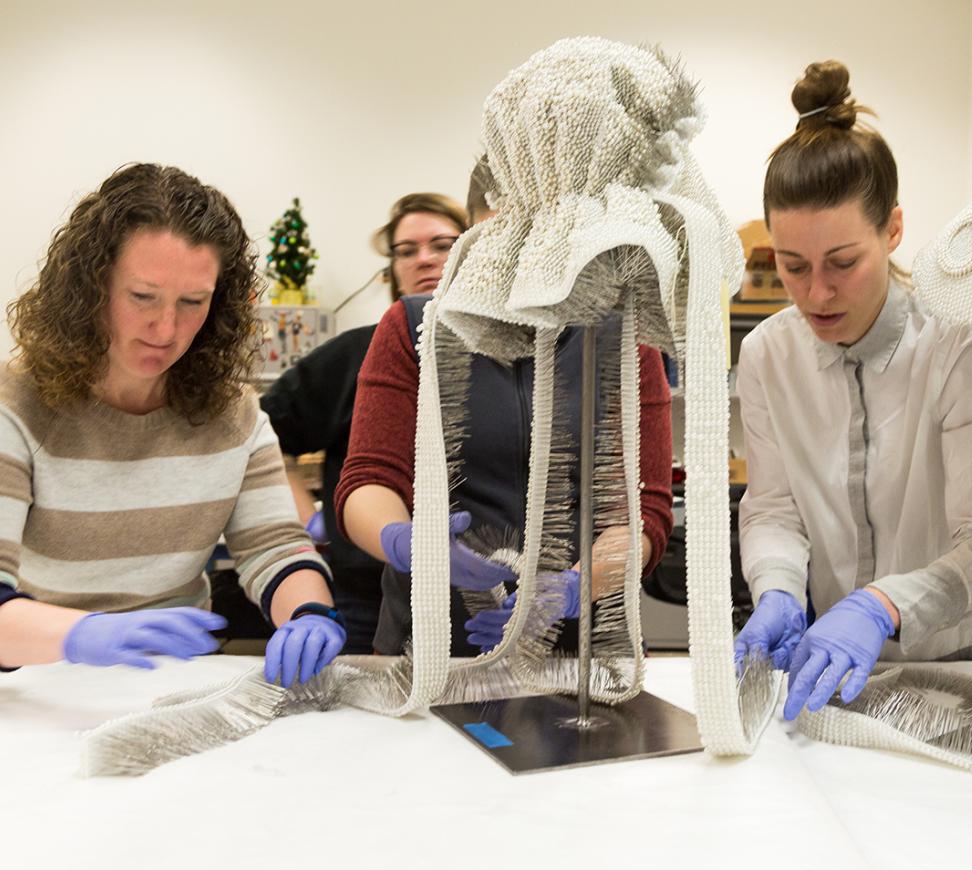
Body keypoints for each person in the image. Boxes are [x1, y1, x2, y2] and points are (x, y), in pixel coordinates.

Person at [733, 61, 972, 721]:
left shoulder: (960, 341)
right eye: (793, 267)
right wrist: (779, 588)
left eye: (843, 263)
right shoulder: (766, 355)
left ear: (893, 229)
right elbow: (773, 512)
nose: (817, 293)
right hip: (850, 658)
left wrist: (881, 604)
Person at [0, 163, 341, 688]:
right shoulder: (16, 403)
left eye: (192, 303)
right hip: (40, 677)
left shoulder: (233, 412)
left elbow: (274, 548)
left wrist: (309, 614)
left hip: (175, 678)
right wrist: (83, 635)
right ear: (90, 289)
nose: (166, 328)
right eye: (142, 297)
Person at [335, 171, 674, 658]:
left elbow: (643, 513)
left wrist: (573, 590)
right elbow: (369, 479)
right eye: (506, 243)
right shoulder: (415, 328)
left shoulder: (624, 339)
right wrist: (407, 543)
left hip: (583, 655)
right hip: (434, 646)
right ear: (474, 234)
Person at [260, 193, 469, 654]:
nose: (425, 259)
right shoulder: (354, 356)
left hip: (478, 600)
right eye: (407, 250)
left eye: (441, 244)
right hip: (366, 603)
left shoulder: (507, 358)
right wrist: (306, 518)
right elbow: (259, 435)